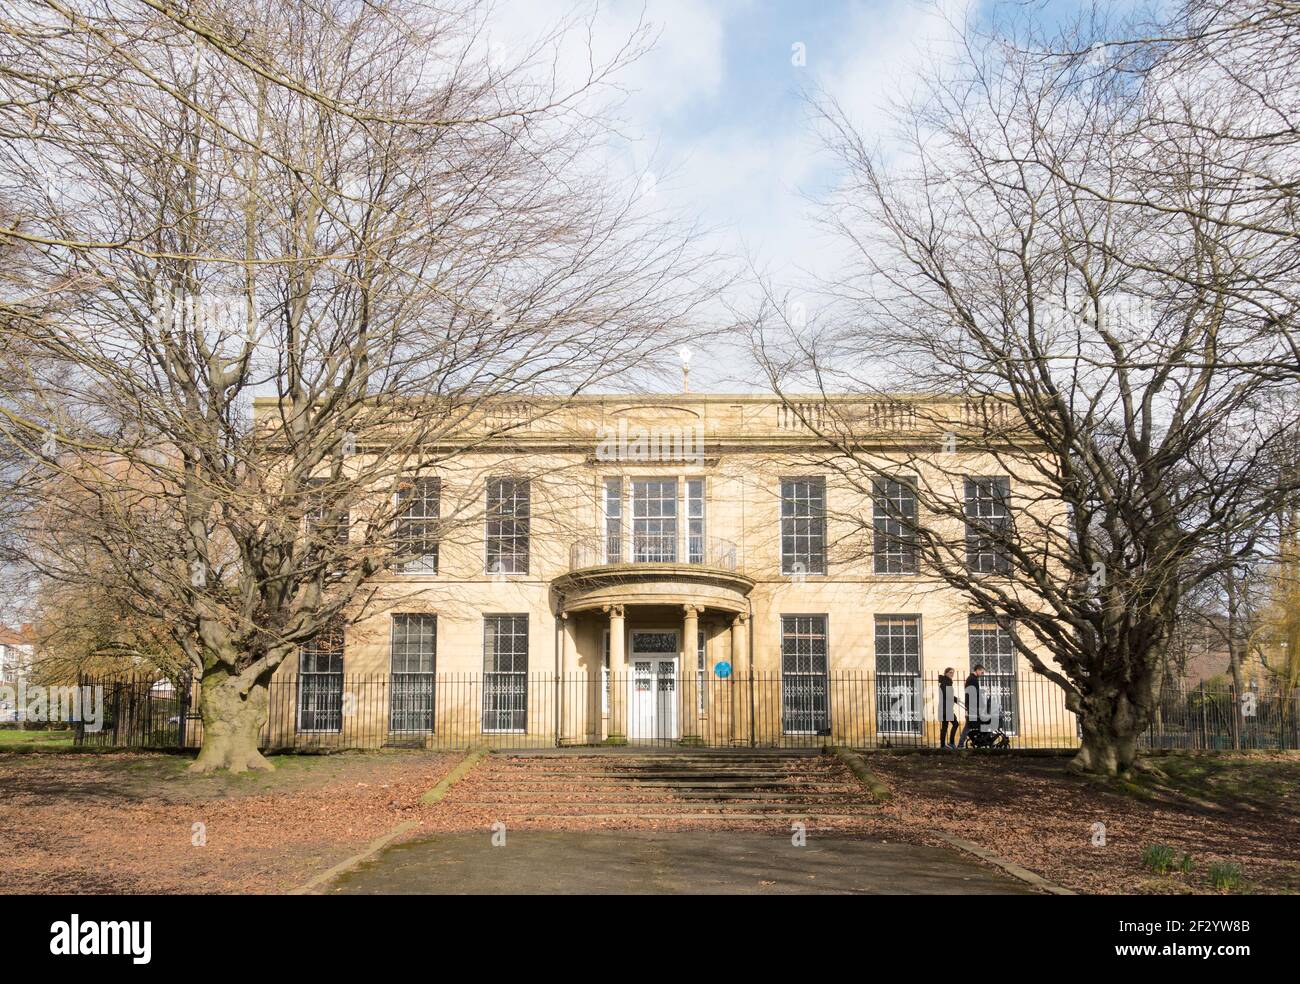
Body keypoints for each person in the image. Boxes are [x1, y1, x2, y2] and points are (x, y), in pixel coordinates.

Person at [956, 664, 985, 748]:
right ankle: (961, 744)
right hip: (973, 706)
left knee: (972, 724)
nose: (982, 674)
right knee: (969, 725)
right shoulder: (972, 679)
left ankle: (979, 740)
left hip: (972, 705)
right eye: (982, 672)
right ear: (978, 670)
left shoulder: (972, 679)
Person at [938, 667, 959, 749]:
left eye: (953, 673)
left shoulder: (946, 682)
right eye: (950, 672)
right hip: (946, 708)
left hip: (945, 708)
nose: (952, 674)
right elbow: (948, 695)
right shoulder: (945, 682)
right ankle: (951, 742)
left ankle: (943, 745)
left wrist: (955, 699)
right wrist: (956, 699)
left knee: (945, 727)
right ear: (946, 673)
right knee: (955, 724)